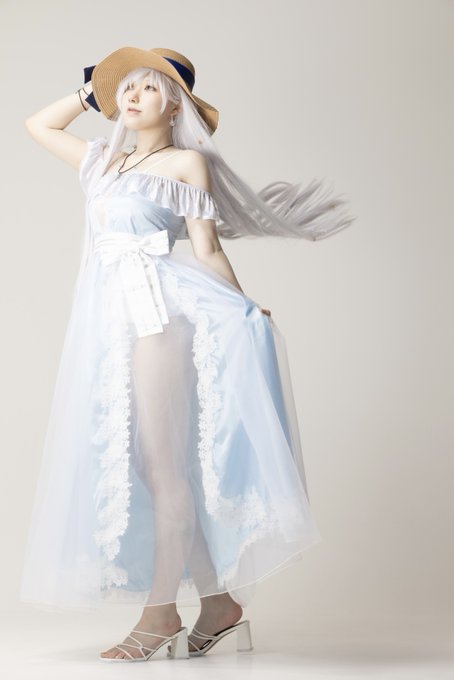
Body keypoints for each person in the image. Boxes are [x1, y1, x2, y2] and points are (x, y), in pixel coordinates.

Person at [20, 47, 356, 663]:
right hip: (109, 321)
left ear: (176, 105)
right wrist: (91, 90)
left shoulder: (185, 162)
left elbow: (206, 247)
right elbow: (37, 125)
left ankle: (160, 616)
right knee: (146, 465)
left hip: (158, 316)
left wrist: (243, 305)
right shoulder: (103, 161)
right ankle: (220, 605)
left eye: (150, 88)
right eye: (127, 87)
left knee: (162, 465)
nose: (133, 96)